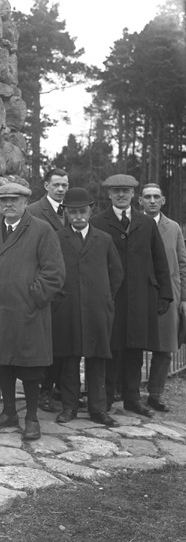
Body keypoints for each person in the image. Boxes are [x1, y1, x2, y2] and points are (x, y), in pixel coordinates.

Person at [0, 182, 65, 441]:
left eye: (14, 200)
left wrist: (33, 296)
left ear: (25, 202)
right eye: (3, 200)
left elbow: (54, 273)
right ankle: (9, 412)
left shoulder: (41, 230)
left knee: (30, 368)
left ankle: (32, 418)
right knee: (3, 364)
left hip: (27, 313)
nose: (8, 205)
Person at [90, 174, 172, 417]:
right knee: (112, 348)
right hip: (111, 297)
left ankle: (132, 398)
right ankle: (105, 399)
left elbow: (160, 260)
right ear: (109, 194)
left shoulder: (146, 223)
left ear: (133, 194)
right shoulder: (98, 222)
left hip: (141, 296)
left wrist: (164, 294)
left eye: (126, 190)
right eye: (116, 191)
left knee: (136, 348)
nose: (121, 195)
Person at [52, 188, 123, 427]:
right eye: (73, 212)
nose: (78, 217)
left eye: (82, 211)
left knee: (97, 360)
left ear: (90, 210)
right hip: (68, 308)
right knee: (69, 360)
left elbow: (117, 273)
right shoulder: (58, 239)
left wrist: (105, 298)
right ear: (66, 213)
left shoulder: (103, 239)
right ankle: (69, 407)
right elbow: (50, 272)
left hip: (97, 310)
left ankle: (98, 409)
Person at [139, 183, 186, 412]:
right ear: (140, 201)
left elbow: (182, 263)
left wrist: (183, 297)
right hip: (139, 292)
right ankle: (126, 390)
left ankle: (155, 394)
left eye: (156, 197)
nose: (152, 201)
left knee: (165, 347)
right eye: (147, 197)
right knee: (133, 343)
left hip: (168, 293)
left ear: (163, 200)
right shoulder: (134, 225)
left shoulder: (173, 227)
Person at [27, 168, 69, 413]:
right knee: (45, 344)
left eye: (64, 184)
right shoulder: (34, 211)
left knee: (66, 343)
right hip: (46, 288)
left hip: (69, 288)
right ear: (46, 185)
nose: (61, 189)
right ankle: (43, 391)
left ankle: (62, 390)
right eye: (56, 185)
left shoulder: (74, 209)